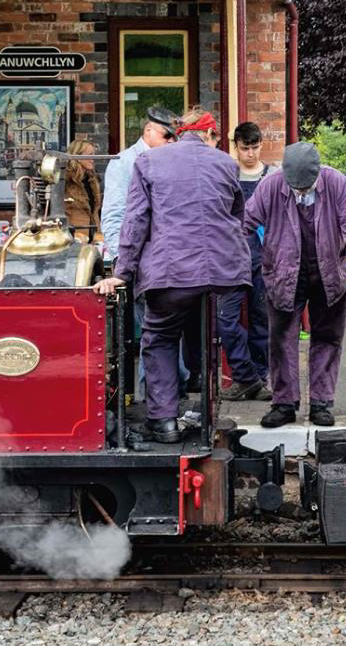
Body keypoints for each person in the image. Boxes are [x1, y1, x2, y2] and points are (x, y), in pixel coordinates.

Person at [93, 108, 250, 444]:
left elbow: (135, 222)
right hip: (219, 272)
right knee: (204, 332)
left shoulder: (149, 162)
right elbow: (237, 217)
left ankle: (164, 421)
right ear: (208, 135)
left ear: (179, 133)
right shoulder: (226, 164)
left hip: (169, 271)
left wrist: (123, 271)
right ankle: (205, 413)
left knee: (160, 338)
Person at [247, 142, 346, 428]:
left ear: (318, 173)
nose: (302, 192)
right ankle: (283, 404)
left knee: (328, 336)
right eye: (296, 188)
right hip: (283, 273)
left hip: (329, 272)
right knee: (281, 339)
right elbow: (244, 223)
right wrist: (238, 260)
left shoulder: (336, 182)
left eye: (306, 187)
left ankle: (321, 403)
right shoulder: (270, 186)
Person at [216, 122, 273, 401]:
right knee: (225, 320)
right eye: (244, 148)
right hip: (231, 255)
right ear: (235, 147)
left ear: (261, 145)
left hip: (265, 256)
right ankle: (245, 375)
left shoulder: (273, 176)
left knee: (262, 320)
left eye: (254, 147)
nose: (249, 154)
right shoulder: (227, 175)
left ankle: (260, 376)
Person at [99, 106, 177, 269]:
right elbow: (114, 214)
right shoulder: (124, 162)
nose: (171, 140)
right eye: (167, 135)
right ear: (148, 130)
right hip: (137, 259)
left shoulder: (172, 161)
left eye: (175, 137)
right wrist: (121, 260)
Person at [62, 135, 102, 243]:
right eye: (89, 155)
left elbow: (95, 211)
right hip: (72, 238)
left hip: (92, 237)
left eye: (93, 155)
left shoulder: (92, 180)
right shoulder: (66, 180)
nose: (93, 159)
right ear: (77, 156)